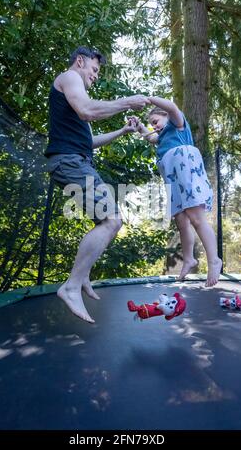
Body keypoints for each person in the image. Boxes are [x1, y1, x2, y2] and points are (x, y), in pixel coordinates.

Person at [45, 46, 149, 323]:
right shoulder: (69, 78)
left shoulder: (76, 96)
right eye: (94, 70)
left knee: (107, 222)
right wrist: (127, 101)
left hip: (77, 160)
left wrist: (123, 130)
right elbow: (88, 110)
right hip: (69, 162)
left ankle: (82, 277)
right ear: (80, 61)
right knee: (112, 220)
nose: (95, 76)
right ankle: (71, 286)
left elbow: (89, 141)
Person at [132, 97, 222, 287]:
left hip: (187, 172)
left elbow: (172, 107)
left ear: (166, 117)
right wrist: (140, 126)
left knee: (196, 218)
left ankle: (214, 260)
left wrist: (148, 100)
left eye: (155, 122)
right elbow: (151, 137)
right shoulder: (162, 137)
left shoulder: (177, 124)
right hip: (173, 178)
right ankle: (189, 259)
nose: (154, 126)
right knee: (181, 221)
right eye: (152, 124)